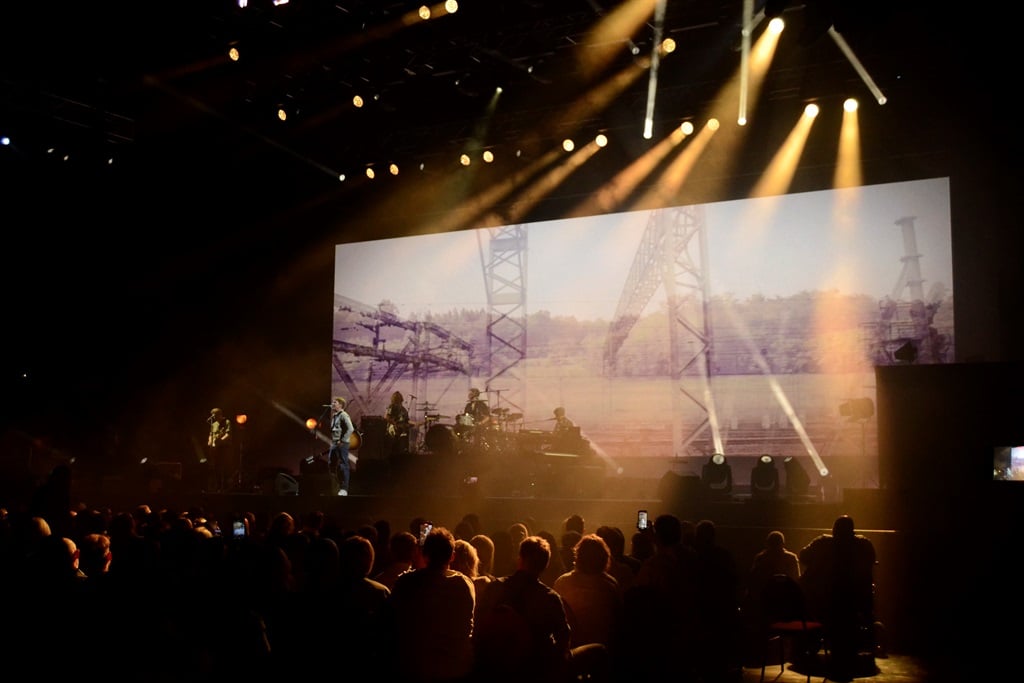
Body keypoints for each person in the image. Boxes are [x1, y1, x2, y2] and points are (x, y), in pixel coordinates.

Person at [799, 514, 878, 679]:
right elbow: (872, 562)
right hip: (857, 601)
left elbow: (803, 556)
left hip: (824, 601)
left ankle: (808, 645)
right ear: (853, 530)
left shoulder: (822, 543)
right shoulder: (864, 544)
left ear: (834, 530)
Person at [328, 397, 355, 496]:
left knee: (344, 465)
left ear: (340, 405)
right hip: (334, 443)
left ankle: (344, 489)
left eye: (335, 402)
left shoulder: (344, 415)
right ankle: (334, 487)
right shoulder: (335, 416)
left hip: (342, 444)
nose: (333, 403)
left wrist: (343, 440)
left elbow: (350, 428)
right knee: (331, 464)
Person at [204, 408, 233, 492]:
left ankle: (225, 487)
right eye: (213, 415)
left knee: (224, 466)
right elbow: (211, 434)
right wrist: (209, 441)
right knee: (215, 467)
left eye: (215, 415)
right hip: (215, 448)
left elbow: (228, 434)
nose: (214, 417)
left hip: (224, 448)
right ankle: (216, 486)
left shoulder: (227, 422)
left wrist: (221, 440)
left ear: (219, 414)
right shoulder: (213, 424)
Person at [385, 391, 412, 462]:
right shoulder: (391, 407)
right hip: (393, 431)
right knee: (393, 448)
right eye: (397, 399)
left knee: (401, 447)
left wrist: (412, 424)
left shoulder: (404, 410)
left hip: (401, 432)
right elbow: (387, 417)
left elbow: (407, 420)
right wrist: (394, 424)